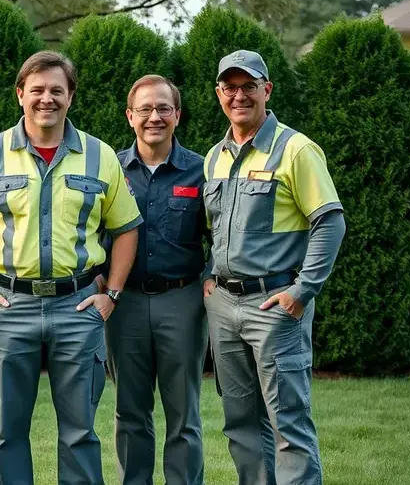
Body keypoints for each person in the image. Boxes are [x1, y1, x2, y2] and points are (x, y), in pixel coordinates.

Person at [0, 50, 142, 485]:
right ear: (20, 95)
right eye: (36, 90)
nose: (46, 99)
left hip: (78, 308)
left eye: (57, 90)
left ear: (71, 96)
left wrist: (110, 295)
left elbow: (127, 228)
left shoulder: (100, 156)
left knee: (79, 432)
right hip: (10, 306)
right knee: (8, 432)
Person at [202, 49, 345, 485]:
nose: (239, 95)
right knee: (241, 422)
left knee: (288, 425)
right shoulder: (215, 157)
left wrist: (301, 292)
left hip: (274, 308)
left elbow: (330, 220)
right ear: (219, 93)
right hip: (224, 307)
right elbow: (218, 229)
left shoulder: (296, 150)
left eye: (249, 86)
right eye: (231, 87)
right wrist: (209, 276)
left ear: (267, 90)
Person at [105, 75, 208, 485]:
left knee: (184, 412)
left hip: (181, 302)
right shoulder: (109, 168)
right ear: (130, 117)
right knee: (129, 411)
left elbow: (222, 232)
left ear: (177, 115)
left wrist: (213, 276)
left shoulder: (203, 171)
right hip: (123, 303)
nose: (154, 117)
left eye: (164, 108)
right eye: (144, 109)